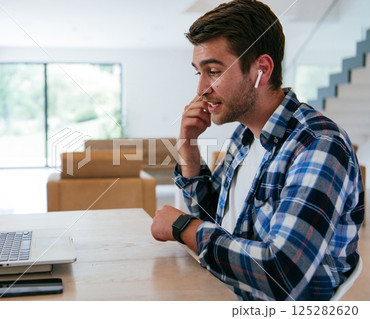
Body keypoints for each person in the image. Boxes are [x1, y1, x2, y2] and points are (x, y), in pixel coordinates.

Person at [150, 0, 365, 301]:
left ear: (261, 70)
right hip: (226, 290)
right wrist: (188, 149)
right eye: (198, 72)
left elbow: (283, 271)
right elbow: (215, 218)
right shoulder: (245, 135)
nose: (200, 89)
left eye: (213, 71)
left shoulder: (319, 144)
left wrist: (183, 227)